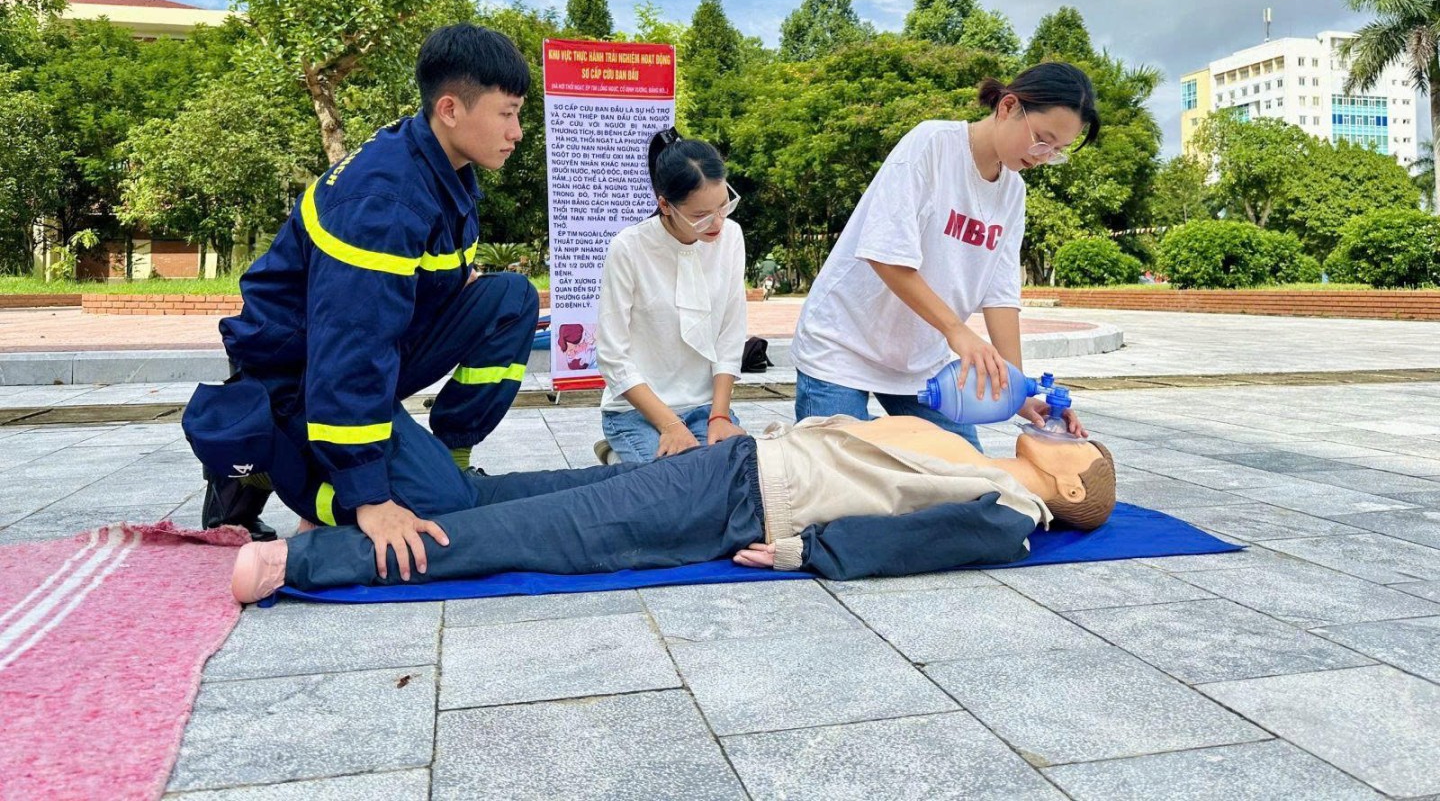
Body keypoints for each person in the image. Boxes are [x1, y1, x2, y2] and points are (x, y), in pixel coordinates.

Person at [185, 24, 540, 570]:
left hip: (362, 348)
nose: (517, 131)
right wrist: (369, 496)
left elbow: (395, 304)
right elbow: (351, 348)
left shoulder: (445, 167)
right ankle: (278, 463)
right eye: (507, 113)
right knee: (439, 510)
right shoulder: (384, 200)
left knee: (511, 298)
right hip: (300, 372)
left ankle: (449, 456)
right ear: (450, 108)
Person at [227, 415, 1116, 602]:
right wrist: (1043, 418)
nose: (1079, 435)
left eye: (1084, 448)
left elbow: (917, 542)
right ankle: (349, 513)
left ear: (1069, 488)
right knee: (528, 492)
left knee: (539, 533)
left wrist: (818, 555)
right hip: (735, 462)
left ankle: (300, 565)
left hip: (742, 499)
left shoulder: (1010, 513)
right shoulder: (992, 448)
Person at [791, 63, 1101, 451]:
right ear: (1008, 107)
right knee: (836, 479)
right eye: (1042, 140)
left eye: (1057, 151)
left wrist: (1018, 390)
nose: (1043, 156)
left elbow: (1001, 296)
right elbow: (885, 256)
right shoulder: (932, 144)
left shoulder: (1012, 193)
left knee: (968, 476)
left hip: (921, 363)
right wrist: (957, 331)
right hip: (842, 345)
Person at [592, 129, 748, 464]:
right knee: (675, 488)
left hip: (705, 407)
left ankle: (627, 463)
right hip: (638, 412)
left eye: (724, 205)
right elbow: (612, 355)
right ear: (664, 205)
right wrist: (670, 425)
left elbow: (730, 336)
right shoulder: (629, 248)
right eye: (700, 215)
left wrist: (719, 416)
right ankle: (621, 452)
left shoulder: (731, 237)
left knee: (738, 478)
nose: (717, 222)